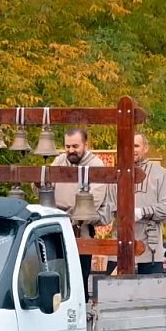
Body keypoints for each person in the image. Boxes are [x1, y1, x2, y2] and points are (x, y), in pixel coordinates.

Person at [52, 128, 116, 300]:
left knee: (79, 277)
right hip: (56, 227)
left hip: (81, 229)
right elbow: (47, 185)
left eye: (75, 146)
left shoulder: (96, 166)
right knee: (55, 275)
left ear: (85, 145)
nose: (71, 150)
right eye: (67, 146)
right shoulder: (59, 161)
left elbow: (94, 199)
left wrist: (70, 216)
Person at [106, 133, 166, 275]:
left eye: (136, 146)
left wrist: (143, 211)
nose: (131, 150)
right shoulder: (115, 174)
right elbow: (107, 206)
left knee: (149, 294)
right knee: (114, 293)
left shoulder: (160, 174)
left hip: (150, 249)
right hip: (119, 246)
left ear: (146, 148)